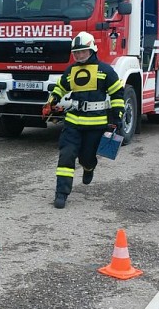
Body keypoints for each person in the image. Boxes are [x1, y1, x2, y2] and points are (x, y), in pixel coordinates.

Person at [43, 31, 125, 209]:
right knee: (66, 155)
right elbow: (60, 88)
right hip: (73, 122)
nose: (79, 55)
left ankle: (89, 168)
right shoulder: (71, 71)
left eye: (82, 52)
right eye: (76, 52)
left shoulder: (105, 71)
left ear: (92, 50)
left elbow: (117, 94)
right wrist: (52, 101)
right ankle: (61, 193)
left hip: (96, 124)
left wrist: (118, 116)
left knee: (87, 158)